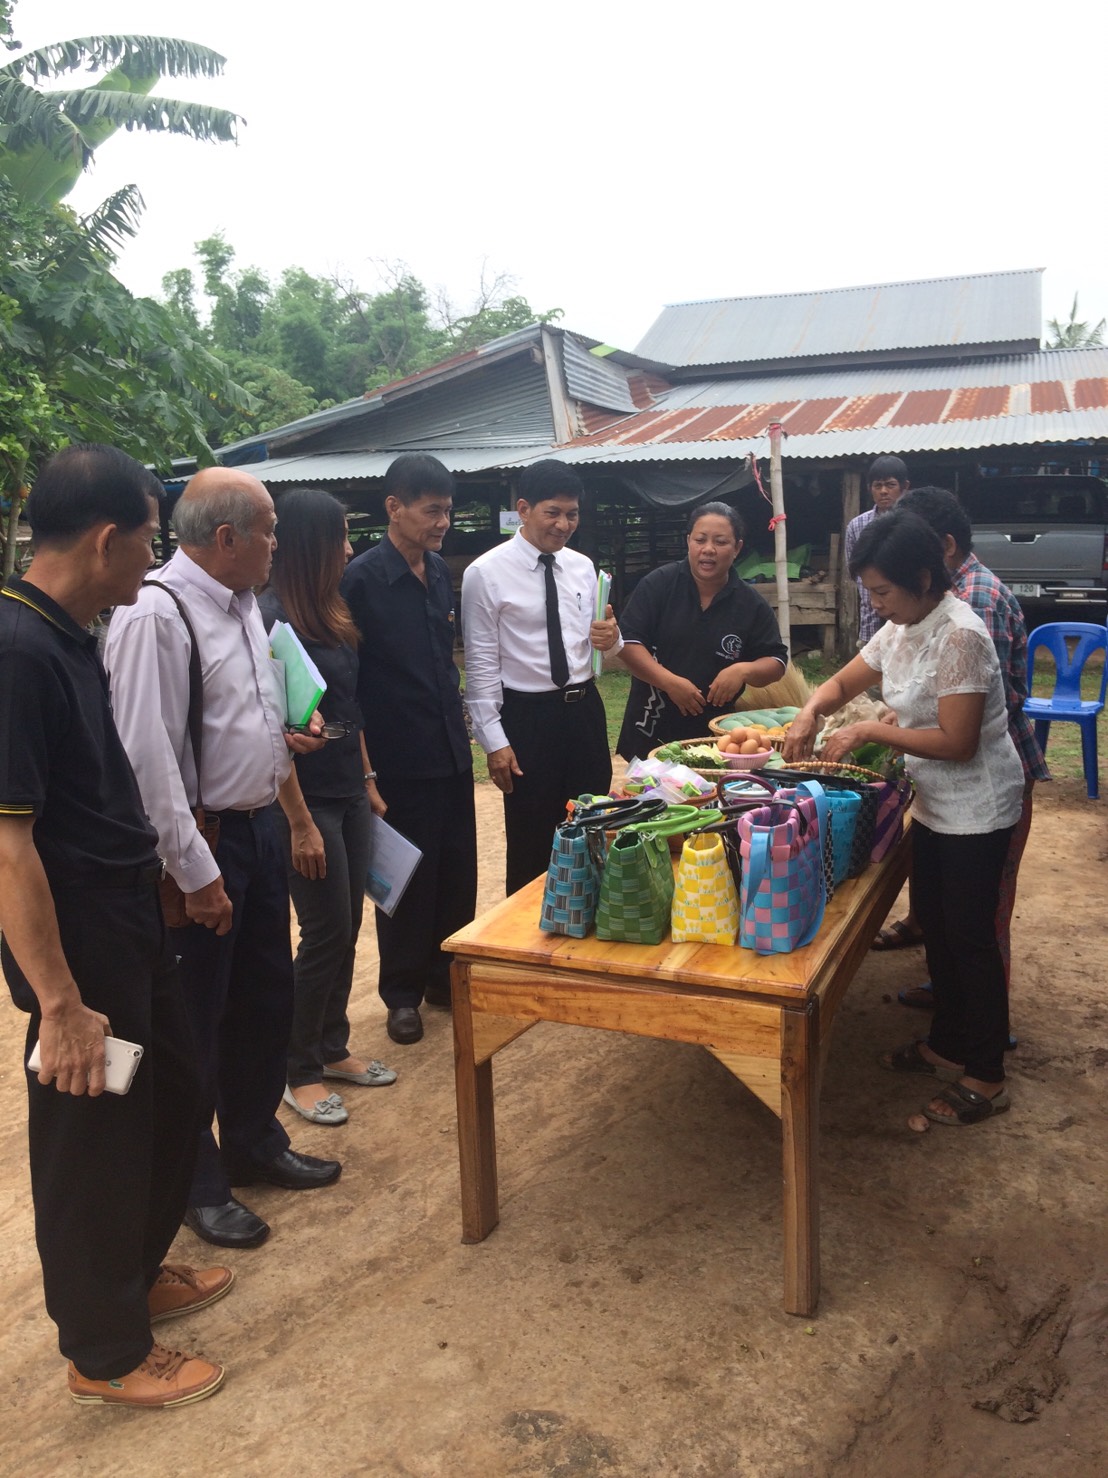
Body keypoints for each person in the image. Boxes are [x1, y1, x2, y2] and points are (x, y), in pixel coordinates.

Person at [0, 444, 229, 1409]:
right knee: (91, 1135)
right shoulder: (13, 652)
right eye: (147, 542)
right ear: (106, 539)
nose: (153, 562)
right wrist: (58, 1003)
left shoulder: (66, 630)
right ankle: (104, 1351)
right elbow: (7, 851)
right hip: (78, 950)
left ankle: (132, 1275)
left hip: (128, 922)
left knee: (170, 1094)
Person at [103, 468, 341, 1251]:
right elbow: (148, 761)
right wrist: (195, 875)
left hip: (256, 829)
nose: (280, 543)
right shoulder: (158, 616)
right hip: (201, 844)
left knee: (261, 999)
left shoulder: (242, 607)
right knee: (194, 1020)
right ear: (228, 537)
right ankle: (196, 1183)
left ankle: (252, 1141)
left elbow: (246, 715)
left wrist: (282, 751)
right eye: (270, 530)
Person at [784, 509, 1024, 1129]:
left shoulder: (959, 635)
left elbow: (959, 740)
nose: (877, 603)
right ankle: (947, 1042)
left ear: (922, 578)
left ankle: (986, 1072)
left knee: (970, 937)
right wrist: (811, 710)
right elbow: (844, 678)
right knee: (940, 928)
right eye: (870, 591)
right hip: (938, 805)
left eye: (883, 591)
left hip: (979, 806)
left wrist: (867, 728)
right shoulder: (903, 626)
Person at [876, 487, 1051, 1006]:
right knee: (949, 912)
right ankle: (955, 1009)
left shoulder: (972, 607)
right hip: (945, 790)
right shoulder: (924, 608)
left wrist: (878, 727)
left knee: (979, 922)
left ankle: (984, 1031)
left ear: (940, 550)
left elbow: (963, 721)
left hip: (986, 784)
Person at [257, 488, 397, 1123]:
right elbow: (268, 732)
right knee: (324, 932)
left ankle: (332, 1045)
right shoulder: (268, 619)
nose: (349, 546)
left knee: (349, 924)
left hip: (347, 790)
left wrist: (367, 777)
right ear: (313, 543)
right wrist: (299, 823)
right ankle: (297, 1067)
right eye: (340, 535)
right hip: (304, 802)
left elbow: (349, 709)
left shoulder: (330, 610)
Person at [341, 453, 477, 1045]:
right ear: (393, 508)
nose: (442, 521)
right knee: (405, 878)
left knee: (456, 868)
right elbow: (348, 681)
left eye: (447, 511)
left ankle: (447, 975)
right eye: (431, 511)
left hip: (448, 748)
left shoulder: (442, 572)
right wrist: (366, 771)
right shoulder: (362, 580)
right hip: (397, 757)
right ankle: (401, 994)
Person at [461, 459, 621, 896]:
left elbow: (602, 643)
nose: (564, 524)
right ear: (524, 509)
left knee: (592, 825)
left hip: (584, 713)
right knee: (532, 842)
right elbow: (480, 666)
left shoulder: (584, 568)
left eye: (572, 514)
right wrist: (494, 742)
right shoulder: (485, 574)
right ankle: (529, 943)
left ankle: (588, 928)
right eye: (553, 512)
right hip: (527, 720)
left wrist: (613, 636)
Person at [614, 501, 788, 760]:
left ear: (737, 548)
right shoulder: (659, 585)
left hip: (717, 739)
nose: (708, 550)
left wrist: (743, 670)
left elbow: (776, 661)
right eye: (700, 539)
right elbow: (627, 643)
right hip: (649, 726)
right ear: (688, 541)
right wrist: (669, 682)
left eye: (720, 542)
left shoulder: (750, 604)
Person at [844, 455, 911, 644]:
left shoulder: (914, 523)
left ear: (904, 487)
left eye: (890, 485)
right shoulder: (857, 526)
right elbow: (854, 571)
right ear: (869, 488)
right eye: (877, 485)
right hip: (872, 618)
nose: (883, 491)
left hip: (908, 615)